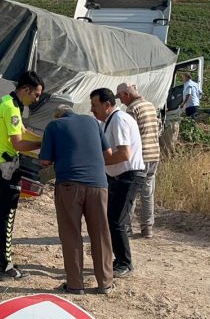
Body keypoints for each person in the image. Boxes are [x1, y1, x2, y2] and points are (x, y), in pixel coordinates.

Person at [38, 105, 114, 295]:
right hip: (98, 185)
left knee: (71, 234)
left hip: (69, 186)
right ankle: (105, 283)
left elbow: (45, 161)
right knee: (101, 234)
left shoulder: (54, 126)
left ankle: (75, 285)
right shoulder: (93, 122)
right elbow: (109, 153)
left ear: (58, 115)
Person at [0, 71, 44, 280]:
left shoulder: (6, 102)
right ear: (26, 90)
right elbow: (18, 143)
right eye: (35, 95)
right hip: (5, 168)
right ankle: (5, 265)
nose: (36, 99)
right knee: (7, 216)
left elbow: (22, 130)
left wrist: (46, 138)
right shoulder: (11, 107)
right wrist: (43, 144)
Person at [90, 88, 146, 278]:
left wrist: (97, 161)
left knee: (116, 220)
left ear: (107, 105)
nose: (92, 110)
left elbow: (123, 154)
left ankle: (125, 263)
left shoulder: (119, 120)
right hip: (117, 177)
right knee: (110, 219)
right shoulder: (109, 121)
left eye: (94, 105)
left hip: (128, 176)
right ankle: (119, 260)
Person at [116, 82, 161, 239]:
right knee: (148, 193)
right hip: (154, 153)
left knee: (131, 193)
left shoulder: (132, 109)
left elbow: (128, 134)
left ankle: (126, 228)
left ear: (126, 94)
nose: (120, 101)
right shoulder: (150, 106)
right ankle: (147, 228)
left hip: (140, 157)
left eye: (120, 97)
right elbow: (159, 128)